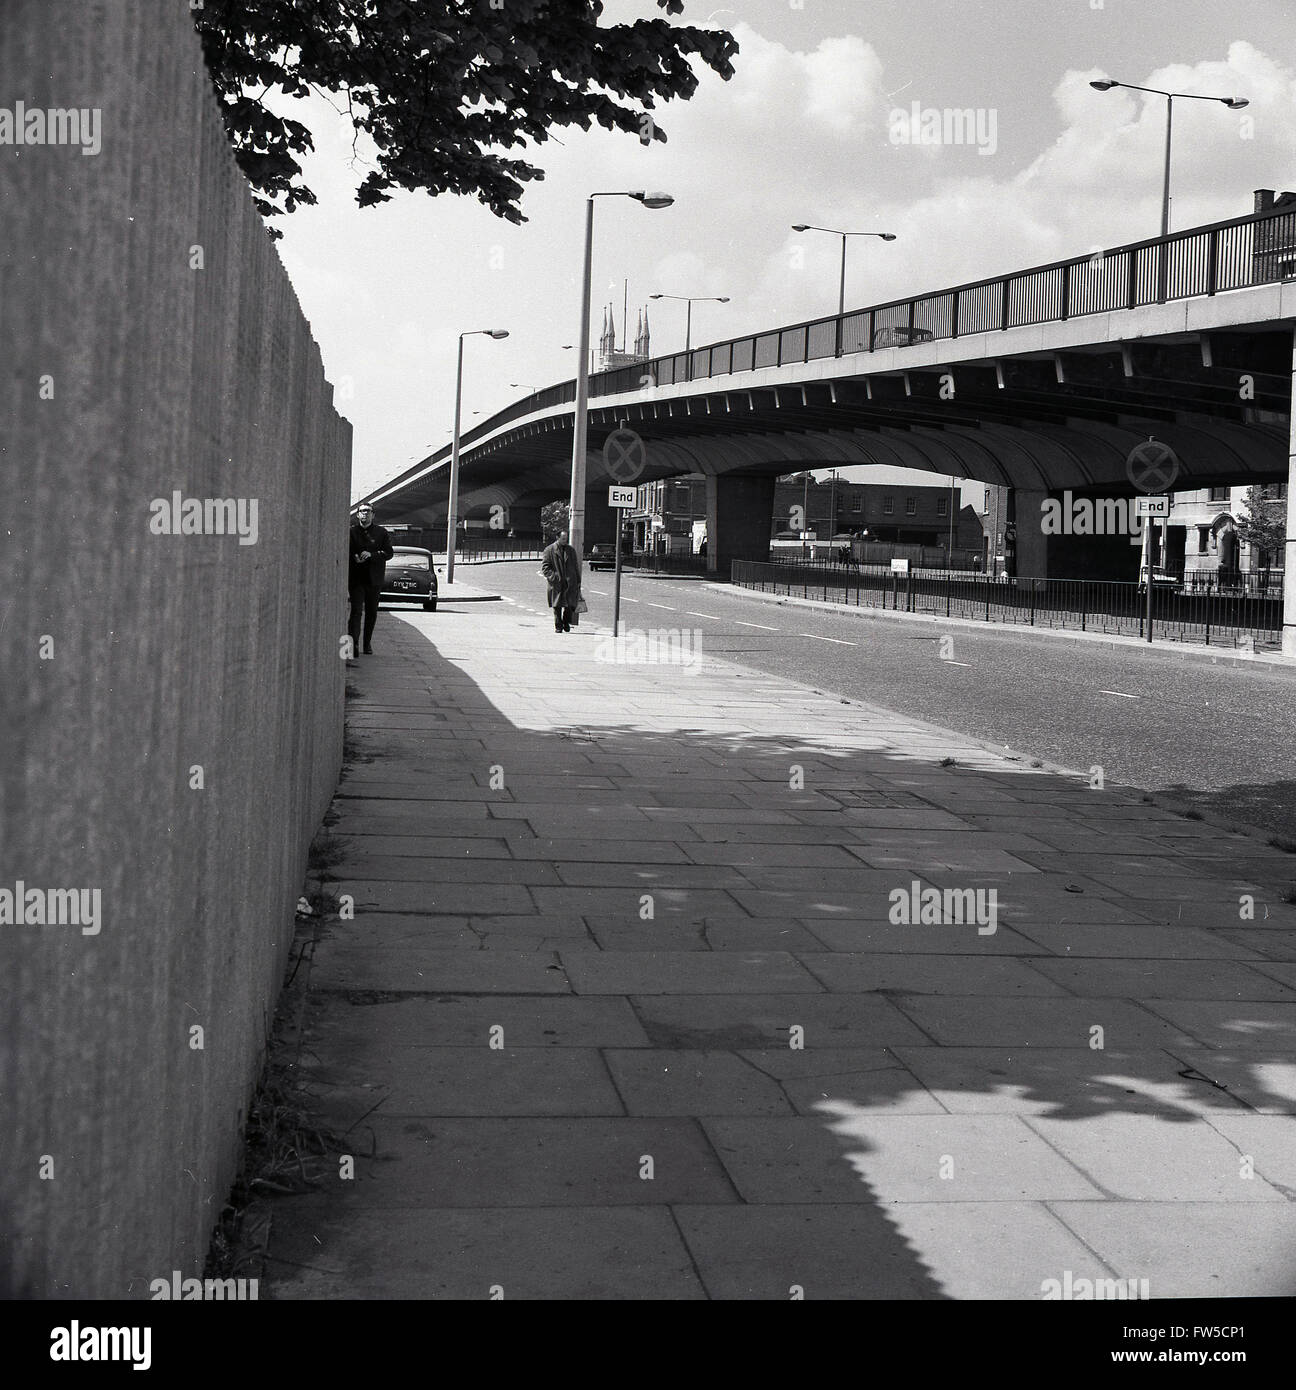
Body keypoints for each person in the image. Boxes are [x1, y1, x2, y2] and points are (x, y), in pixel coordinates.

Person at [348, 504, 394, 655]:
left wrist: (372, 555)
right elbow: (348, 550)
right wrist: (355, 556)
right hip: (356, 579)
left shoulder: (381, 532)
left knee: (371, 612)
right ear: (357, 515)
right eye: (362, 511)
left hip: (374, 580)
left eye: (368, 512)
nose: (365, 514)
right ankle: (352, 646)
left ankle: (367, 644)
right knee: (356, 611)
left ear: (373, 515)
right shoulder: (351, 532)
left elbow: (389, 553)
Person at [540, 535, 582, 633]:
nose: (565, 540)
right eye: (563, 538)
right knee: (557, 605)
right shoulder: (549, 550)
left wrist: (577, 580)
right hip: (557, 583)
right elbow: (545, 567)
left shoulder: (571, 550)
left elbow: (575, 566)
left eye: (566, 538)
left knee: (569, 605)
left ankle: (566, 622)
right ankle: (558, 626)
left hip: (569, 582)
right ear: (557, 538)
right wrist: (553, 577)